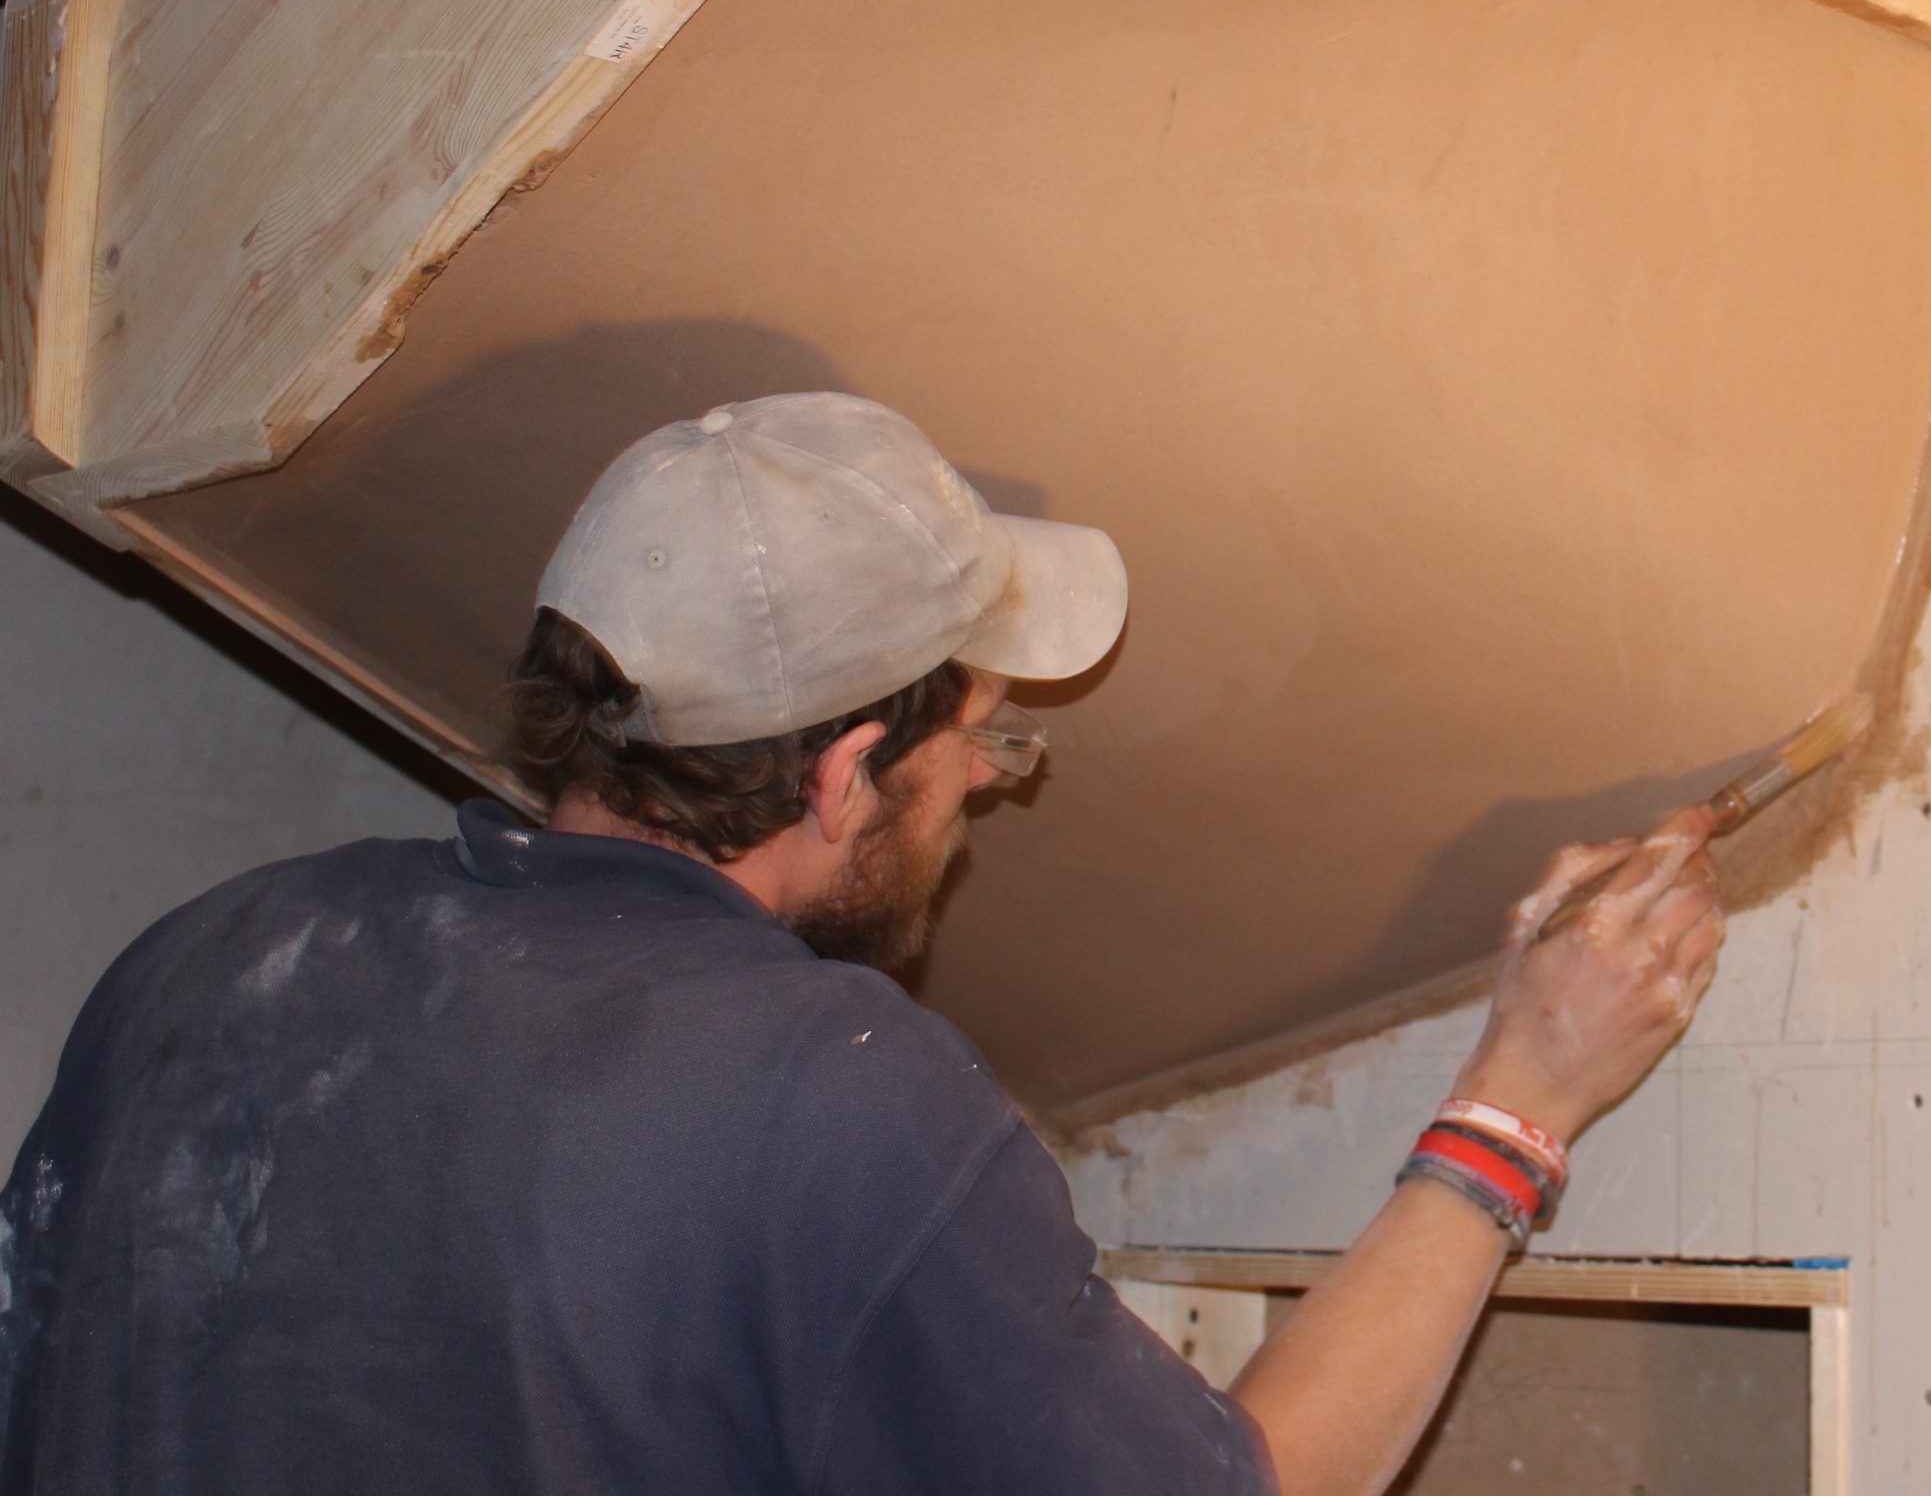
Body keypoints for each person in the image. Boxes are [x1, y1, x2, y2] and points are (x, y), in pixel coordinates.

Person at [0, 391, 1722, 1495]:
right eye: (979, 737)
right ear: (841, 778)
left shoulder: (208, 963)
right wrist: (1519, 1098)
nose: (987, 784)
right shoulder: (825, 1097)